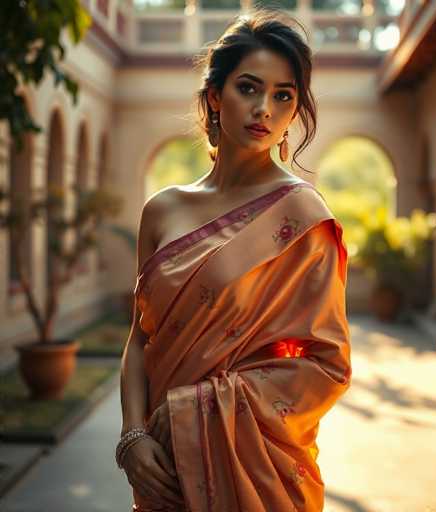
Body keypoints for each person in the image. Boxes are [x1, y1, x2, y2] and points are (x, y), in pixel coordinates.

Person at [118, 7, 352, 512]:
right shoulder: (163, 210)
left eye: (282, 96)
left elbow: (326, 364)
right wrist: (132, 435)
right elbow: (139, 339)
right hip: (160, 472)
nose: (264, 108)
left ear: (294, 113)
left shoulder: (303, 218)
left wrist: (195, 409)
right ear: (213, 97)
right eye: (248, 88)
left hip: (255, 476)